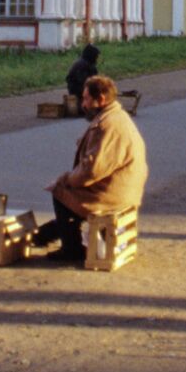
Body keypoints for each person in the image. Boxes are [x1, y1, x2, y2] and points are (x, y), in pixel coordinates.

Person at [33, 75, 149, 262]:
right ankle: (42, 236)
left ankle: (71, 250)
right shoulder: (115, 116)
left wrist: (66, 179)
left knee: (61, 192)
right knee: (72, 200)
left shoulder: (107, 125)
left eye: (86, 98)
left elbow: (91, 171)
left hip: (113, 194)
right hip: (122, 188)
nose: (83, 104)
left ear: (101, 99)